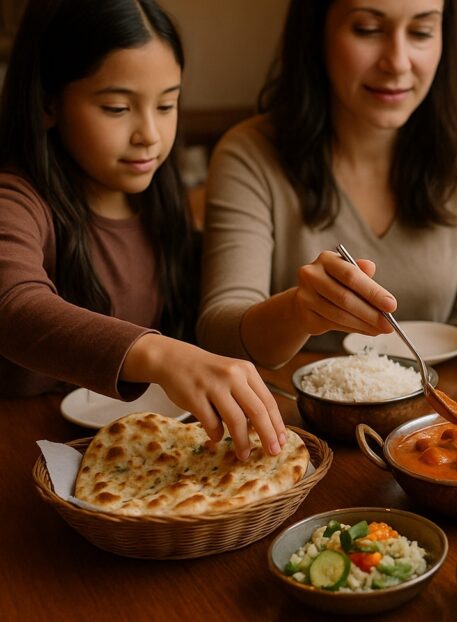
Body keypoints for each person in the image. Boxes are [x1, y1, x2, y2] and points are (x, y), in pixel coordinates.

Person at [0, 0, 287, 460]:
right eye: (117, 108)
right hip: (22, 462)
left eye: (167, 103)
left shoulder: (159, 206)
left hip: (131, 460)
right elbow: (13, 306)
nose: (149, 134)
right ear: (48, 102)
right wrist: (162, 355)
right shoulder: (15, 199)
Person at [197, 0, 457, 368]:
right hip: (290, 416)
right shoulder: (249, 153)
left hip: (429, 415)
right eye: (368, 30)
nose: (398, 62)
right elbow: (219, 335)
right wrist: (299, 312)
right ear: (316, 34)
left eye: (421, 32)